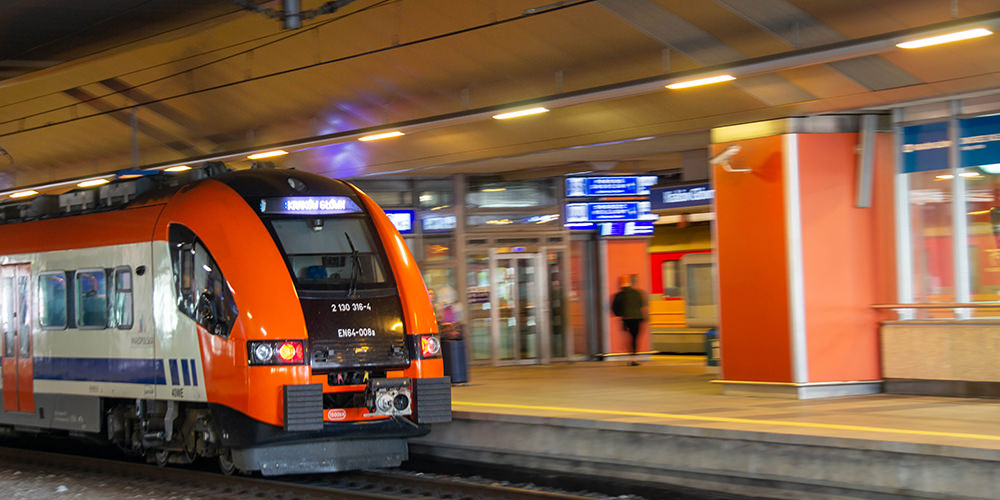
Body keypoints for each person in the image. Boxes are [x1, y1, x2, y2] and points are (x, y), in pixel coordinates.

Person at [611, 274, 646, 366]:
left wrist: (620, 315)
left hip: (626, 318)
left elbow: (615, 306)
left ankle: (629, 354)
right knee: (634, 338)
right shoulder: (639, 293)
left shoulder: (620, 294)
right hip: (637, 318)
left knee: (628, 337)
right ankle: (633, 358)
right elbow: (641, 305)